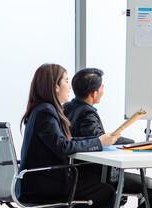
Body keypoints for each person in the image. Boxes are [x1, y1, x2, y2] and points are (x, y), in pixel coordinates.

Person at [17, 63, 119, 207]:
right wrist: (98, 142)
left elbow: (64, 141)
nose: (69, 86)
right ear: (55, 86)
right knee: (106, 192)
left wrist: (97, 140)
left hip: (37, 183)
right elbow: (63, 146)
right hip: (44, 187)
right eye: (66, 81)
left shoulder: (40, 109)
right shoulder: (45, 111)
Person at [63, 67, 152, 208]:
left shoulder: (67, 107)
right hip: (97, 175)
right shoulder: (87, 113)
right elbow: (99, 139)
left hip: (77, 174)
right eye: (102, 87)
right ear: (93, 93)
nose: (103, 91)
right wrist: (133, 144)